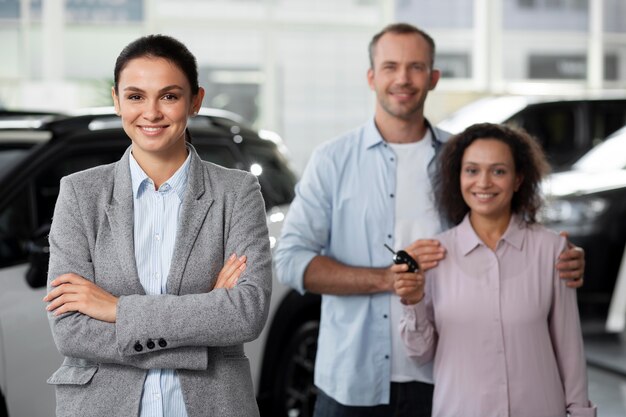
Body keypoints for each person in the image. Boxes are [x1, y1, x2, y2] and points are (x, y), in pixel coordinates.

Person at [274, 23, 586, 417]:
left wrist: (562, 259)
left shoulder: (463, 162)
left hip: (445, 380)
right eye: (390, 66)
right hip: (350, 380)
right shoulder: (332, 161)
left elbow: (510, 242)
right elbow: (290, 260)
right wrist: (386, 279)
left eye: (416, 67)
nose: (403, 78)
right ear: (372, 77)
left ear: (434, 77)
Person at [42, 35, 271, 417]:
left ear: (195, 100)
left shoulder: (237, 191)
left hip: (212, 405)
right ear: (116, 100)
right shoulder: (80, 194)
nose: (151, 112)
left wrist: (117, 310)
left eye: (169, 96)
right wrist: (204, 324)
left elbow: (246, 313)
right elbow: (70, 330)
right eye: (135, 96)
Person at [396, 123, 596, 417]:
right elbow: (419, 354)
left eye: (498, 171)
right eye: (472, 170)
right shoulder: (434, 255)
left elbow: (570, 350)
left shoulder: (552, 251)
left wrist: (580, 413)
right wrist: (413, 301)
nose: (484, 182)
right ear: (458, 177)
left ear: (518, 179)